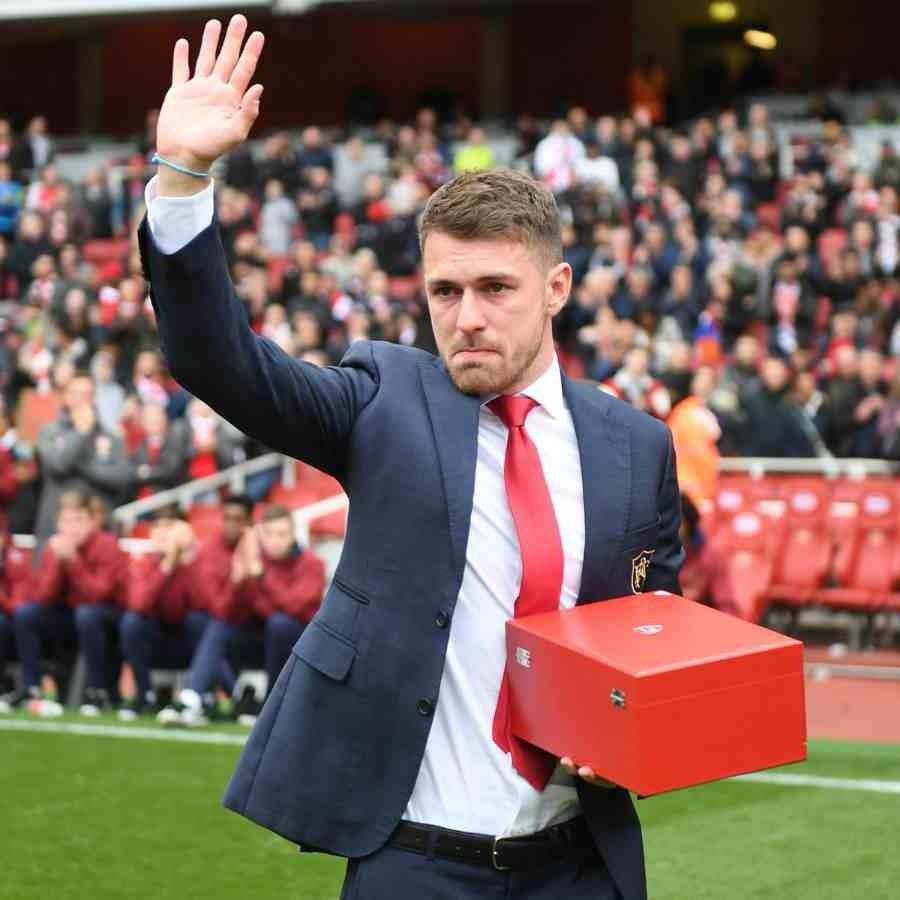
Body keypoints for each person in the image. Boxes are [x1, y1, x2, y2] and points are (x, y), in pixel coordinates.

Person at [139, 16, 682, 900]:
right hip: (415, 863)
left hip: (580, 865)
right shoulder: (382, 398)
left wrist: (632, 733)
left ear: (556, 288)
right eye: (445, 290)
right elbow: (218, 361)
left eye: (495, 288)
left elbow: (654, 631)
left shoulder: (636, 446)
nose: (466, 317)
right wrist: (182, 179)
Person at [9, 490, 127, 714]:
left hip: (106, 617)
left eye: (78, 520)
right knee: (26, 614)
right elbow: (43, 597)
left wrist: (73, 561)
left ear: (93, 522)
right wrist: (56, 561)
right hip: (70, 616)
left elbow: (99, 595)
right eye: (66, 521)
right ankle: (31, 687)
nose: (72, 528)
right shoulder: (55, 547)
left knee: (87, 615)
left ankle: (97, 692)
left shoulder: (107, 545)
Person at [155, 493, 255, 725]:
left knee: (212, 626)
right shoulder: (210, 550)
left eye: (238, 519)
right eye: (226, 518)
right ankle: (203, 696)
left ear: (249, 522)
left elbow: (275, 604)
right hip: (223, 629)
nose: (230, 525)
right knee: (201, 621)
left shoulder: (263, 547)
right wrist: (237, 581)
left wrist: (254, 570)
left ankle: (213, 695)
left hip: (257, 631)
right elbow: (218, 607)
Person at [118, 506, 207, 719]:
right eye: (157, 527)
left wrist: (185, 559)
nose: (163, 533)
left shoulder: (197, 561)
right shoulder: (143, 563)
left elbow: (206, 604)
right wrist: (167, 565)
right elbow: (139, 604)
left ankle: (200, 697)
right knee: (131, 622)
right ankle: (145, 695)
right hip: (155, 644)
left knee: (200, 620)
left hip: (189, 645)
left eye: (170, 526)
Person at [34, 374, 133, 543]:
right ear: (66, 396)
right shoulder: (49, 432)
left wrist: (81, 465)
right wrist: (81, 433)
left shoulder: (112, 437)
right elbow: (58, 465)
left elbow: (123, 477)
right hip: (55, 527)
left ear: (94, 398)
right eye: (76, 393)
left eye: (87, 394)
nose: (82, 399)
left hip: (99, 528)